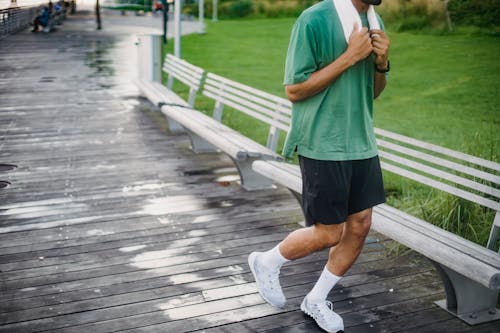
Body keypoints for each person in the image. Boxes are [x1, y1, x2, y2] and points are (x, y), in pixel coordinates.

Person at [248, 0, 390, 332]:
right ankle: (266, 262)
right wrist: (351, 56)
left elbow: (373, 92)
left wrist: (381, 63)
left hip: (361, 142)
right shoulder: (313, 20)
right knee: (329, 232)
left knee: (359, 226)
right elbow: (294, 90)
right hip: (322, 142)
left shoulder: (373, 18)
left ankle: (315, 299)